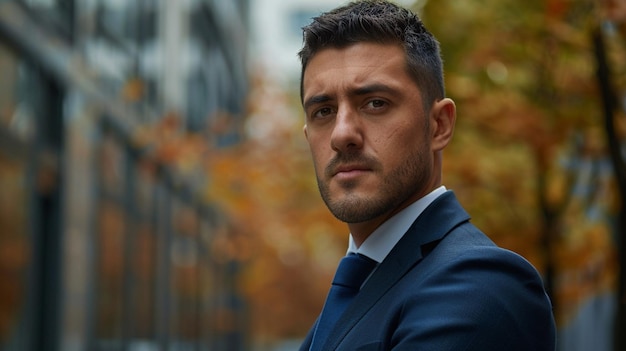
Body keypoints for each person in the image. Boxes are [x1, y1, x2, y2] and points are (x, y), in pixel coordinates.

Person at [297, 1, 557, 350]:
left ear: (439, 125)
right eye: (323, 111)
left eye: (375, 103)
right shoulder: (362, 287)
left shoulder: (479, 285)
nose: (341, 134)